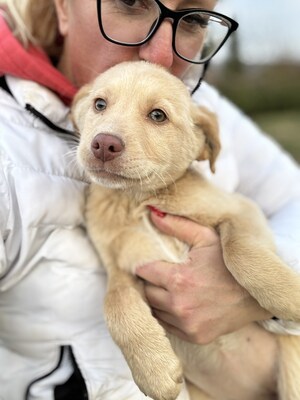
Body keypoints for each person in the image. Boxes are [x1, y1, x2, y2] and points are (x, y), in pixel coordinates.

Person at [0, 0, 299, 399]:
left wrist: (251, 288)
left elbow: (292, 196)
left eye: (192, 20)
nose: (161, 55)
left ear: (203, 145)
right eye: (130, 2)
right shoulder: (10, 155)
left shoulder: (199, 103)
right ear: (64, 8)